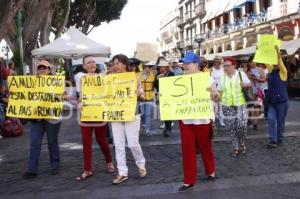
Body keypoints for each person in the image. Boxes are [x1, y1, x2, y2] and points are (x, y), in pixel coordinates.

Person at [176, 51, 217, 192]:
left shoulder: (207, 78)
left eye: (188, 63)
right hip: (185, 120)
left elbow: (216, 96)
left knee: (205, 146)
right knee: (187, 150)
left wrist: (215, 95)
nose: (185, 66)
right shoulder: (180, 79)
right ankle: (188, 180)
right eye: (184, 63)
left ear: (197, 64)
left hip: (203, 119)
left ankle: (210, 171)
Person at [76, 55, 114, 181]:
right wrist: (79, 100)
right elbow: (80, 96)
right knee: (86, 142)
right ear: (84, 66)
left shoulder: (102, 77)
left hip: (99, 113)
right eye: (89, 62)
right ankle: (87, 169)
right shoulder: (81, 78)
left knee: (102, 140)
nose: (92, 64)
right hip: (86, 114)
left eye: (93, 62)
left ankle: (109, 161)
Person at [111, 54, 147, 184]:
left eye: (119, 63)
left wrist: (139, 94)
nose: (116, 66)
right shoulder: (110, 79)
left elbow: (142, 96)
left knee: (132, 143)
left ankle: (141, 164)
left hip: (132, 113)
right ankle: (122, 172)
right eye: (114, 63)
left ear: (125, 64)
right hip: (115, 114)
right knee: (119, 145)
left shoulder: (134, 78)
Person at [23, 60, 62, 179]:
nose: (42, 69)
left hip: (52, 118)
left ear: (49, 70)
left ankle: (55, 165)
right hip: (37, 118)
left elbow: (60, 99)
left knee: (52, 142)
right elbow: (25, 97)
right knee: (34, 143)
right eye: (40, 68)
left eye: (44, 68)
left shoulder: (56, 83)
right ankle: (32, 169)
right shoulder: (31, 83)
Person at [219, 57, 252, 157]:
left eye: (228, 66)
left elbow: (250, 85)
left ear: (234, 65)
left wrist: (245, 85)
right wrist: (216, 96)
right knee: (231, 128)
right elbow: (220, 91)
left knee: (242, 126)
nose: (225, 68)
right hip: (227, 106)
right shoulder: (222, 77)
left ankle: (242, 143)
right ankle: (236, 147)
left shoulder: (240, 74)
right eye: (224, 66)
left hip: (240, 105)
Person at [266, 46, 289, 148]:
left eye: (275, 61)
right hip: (271, 102)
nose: (274, 63)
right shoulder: (271, 70)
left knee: (280, 122)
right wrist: (259, 51)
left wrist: (278, 53)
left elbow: (280, 63)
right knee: (271, 119)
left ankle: (280, 139)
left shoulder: (283, 72)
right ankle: (273, 140)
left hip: (282, 102)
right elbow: (266, 61)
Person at [154, 58, 175, 137]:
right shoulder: (157, 74)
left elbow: (173, 83)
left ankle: (168, 129)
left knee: (168, 111)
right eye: (160, 67)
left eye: (162, 67)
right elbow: (155, 85)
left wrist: (164, 78)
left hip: (169, 95)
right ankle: (166, 127)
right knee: (163, 113)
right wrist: (157, 78)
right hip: (161, 95)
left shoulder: (171, 74)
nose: (161, 68)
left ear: (166, 67)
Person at [247, 56, 266, 130]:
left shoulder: (260, 69)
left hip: (259, 91)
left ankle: (256, 123)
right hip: (250, 91)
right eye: (250, 62)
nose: (252, 63)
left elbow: (264, 80)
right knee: (250, 107)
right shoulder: (247, 71)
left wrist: (256, 78)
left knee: (257, 107)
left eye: (253, 61)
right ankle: (250, 119)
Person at [138, 61, 156, 136]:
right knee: (142, 114)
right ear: (145, 67)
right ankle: (143, 123)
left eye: (151, 67)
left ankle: (147, 130)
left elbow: (155, 85)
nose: (150, 68)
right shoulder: (137, 75)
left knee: (148, 114)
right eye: (149, 67)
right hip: (141, 97)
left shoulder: (153, 75)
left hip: (150, 97)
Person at [211, 56, 225, 127]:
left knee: (221, 106)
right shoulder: (211, 70)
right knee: (214, 106)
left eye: (220, 62)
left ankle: (221, 121)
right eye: (217, 62)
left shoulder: (223, 70)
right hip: (214, 90)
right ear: (215, 62)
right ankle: (213, 120)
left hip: (222, 90)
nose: (219, 63)